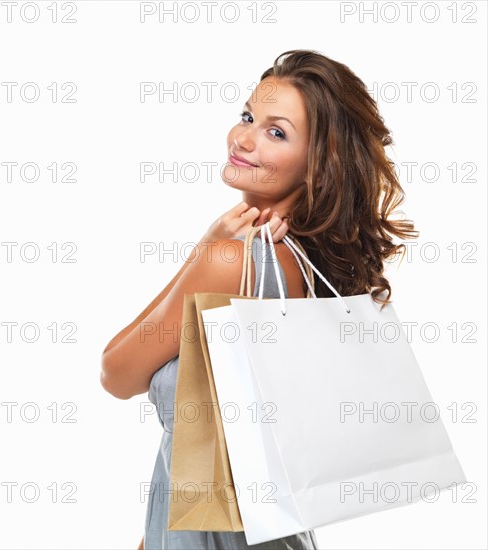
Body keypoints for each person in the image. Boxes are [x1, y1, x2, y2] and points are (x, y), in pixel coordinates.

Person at [101, 49, 418, 549]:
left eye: (277, 132)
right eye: (248, 116)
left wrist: (203, 252)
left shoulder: (233, 262)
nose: (243, 138)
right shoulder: (311, 260)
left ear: (317, 166)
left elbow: (115, 374)